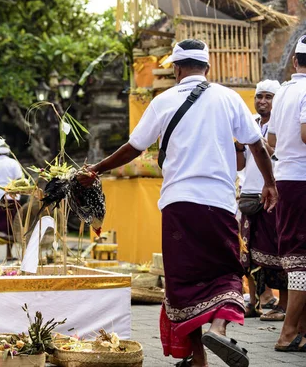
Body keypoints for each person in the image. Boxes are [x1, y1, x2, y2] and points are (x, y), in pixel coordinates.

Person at [78, 39, 277, 367]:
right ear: (207, 68)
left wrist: (96, 169)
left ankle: (199, 360)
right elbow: (256, 146)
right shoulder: (229, 98)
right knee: (226, 271)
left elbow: (133, 147)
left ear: (177, 68)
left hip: (177, 205)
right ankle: (218, 326)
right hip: (219, 203)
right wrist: (270, 184)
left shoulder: (163, 101)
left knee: (184, 285)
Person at [236, 80, 287, 322]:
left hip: (273, 195)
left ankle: (283, 305)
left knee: (277, 252)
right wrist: (238, 144)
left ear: (277, 101)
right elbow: (240, 165)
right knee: (248, 251)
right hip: (249, 194)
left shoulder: (281, 126)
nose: (262, 101)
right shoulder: (252, 125)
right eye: (259, 97)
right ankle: (254, 303)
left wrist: (255, 139)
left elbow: (274, 153)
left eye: (268, 97)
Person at [267, 34, 306, 352]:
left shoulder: (283, 92)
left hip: (286, 178)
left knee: (297, 255)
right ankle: (288, 331)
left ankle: (301, 330)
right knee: (301, 259)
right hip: (302, 180)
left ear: (295, 61)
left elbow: (273, 141)